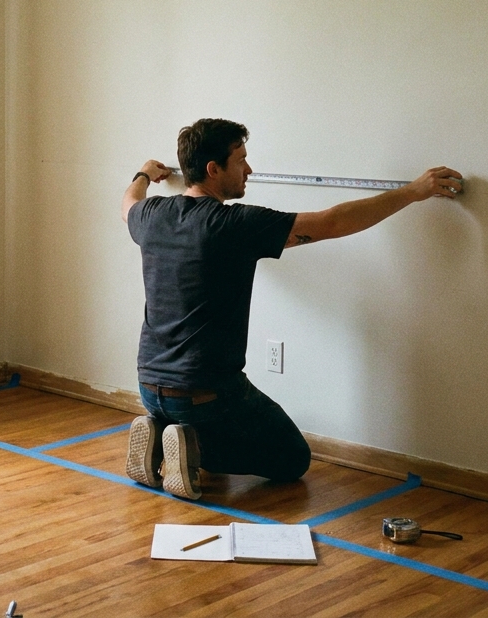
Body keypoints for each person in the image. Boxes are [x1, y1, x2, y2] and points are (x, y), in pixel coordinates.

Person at [122, 118, 463, 500]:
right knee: (292, 459)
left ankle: (161, 433)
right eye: (241, 160)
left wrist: (143, 174)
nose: (249, 170)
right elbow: (332, 222)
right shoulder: (232, 224)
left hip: (149, 385)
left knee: (199, 417)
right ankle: (193, 446)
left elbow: (127, 204)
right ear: (213, 169)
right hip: (206, 394)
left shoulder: (152, 217)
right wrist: (413, 191)